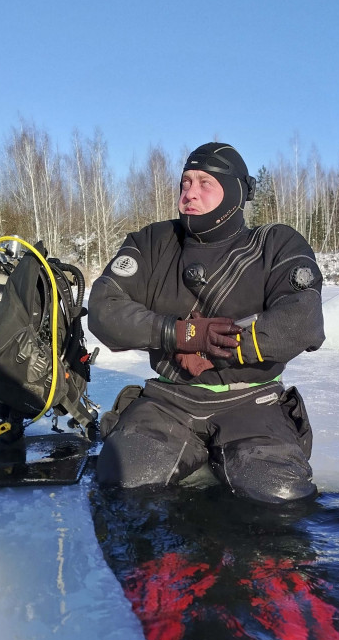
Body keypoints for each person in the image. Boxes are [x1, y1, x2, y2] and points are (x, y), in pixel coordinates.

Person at [88, 142, 325, 504]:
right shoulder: (152, 242)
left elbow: (302, 319)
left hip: (252, 399)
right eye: (185, 183)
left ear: (235, 192)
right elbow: (104, 308)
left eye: (204, 183)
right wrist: (180, 334)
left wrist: (218, 349)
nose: (189, 193)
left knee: (280, 495)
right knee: (122, 482)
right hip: (169, 400)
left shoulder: (275, 244)